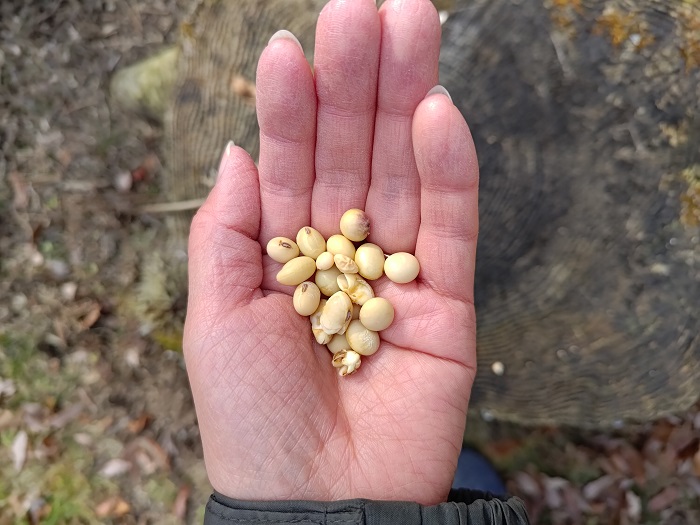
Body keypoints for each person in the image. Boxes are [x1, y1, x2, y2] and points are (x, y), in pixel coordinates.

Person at [183, 0, 530, 523]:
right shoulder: (341, 287)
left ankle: (450, 487)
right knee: (472, 483)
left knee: (466, 481)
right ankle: (459, 484)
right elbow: (352, 297)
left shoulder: (342, 283)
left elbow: (355, 293)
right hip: (392, 429)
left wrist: (268, 511)